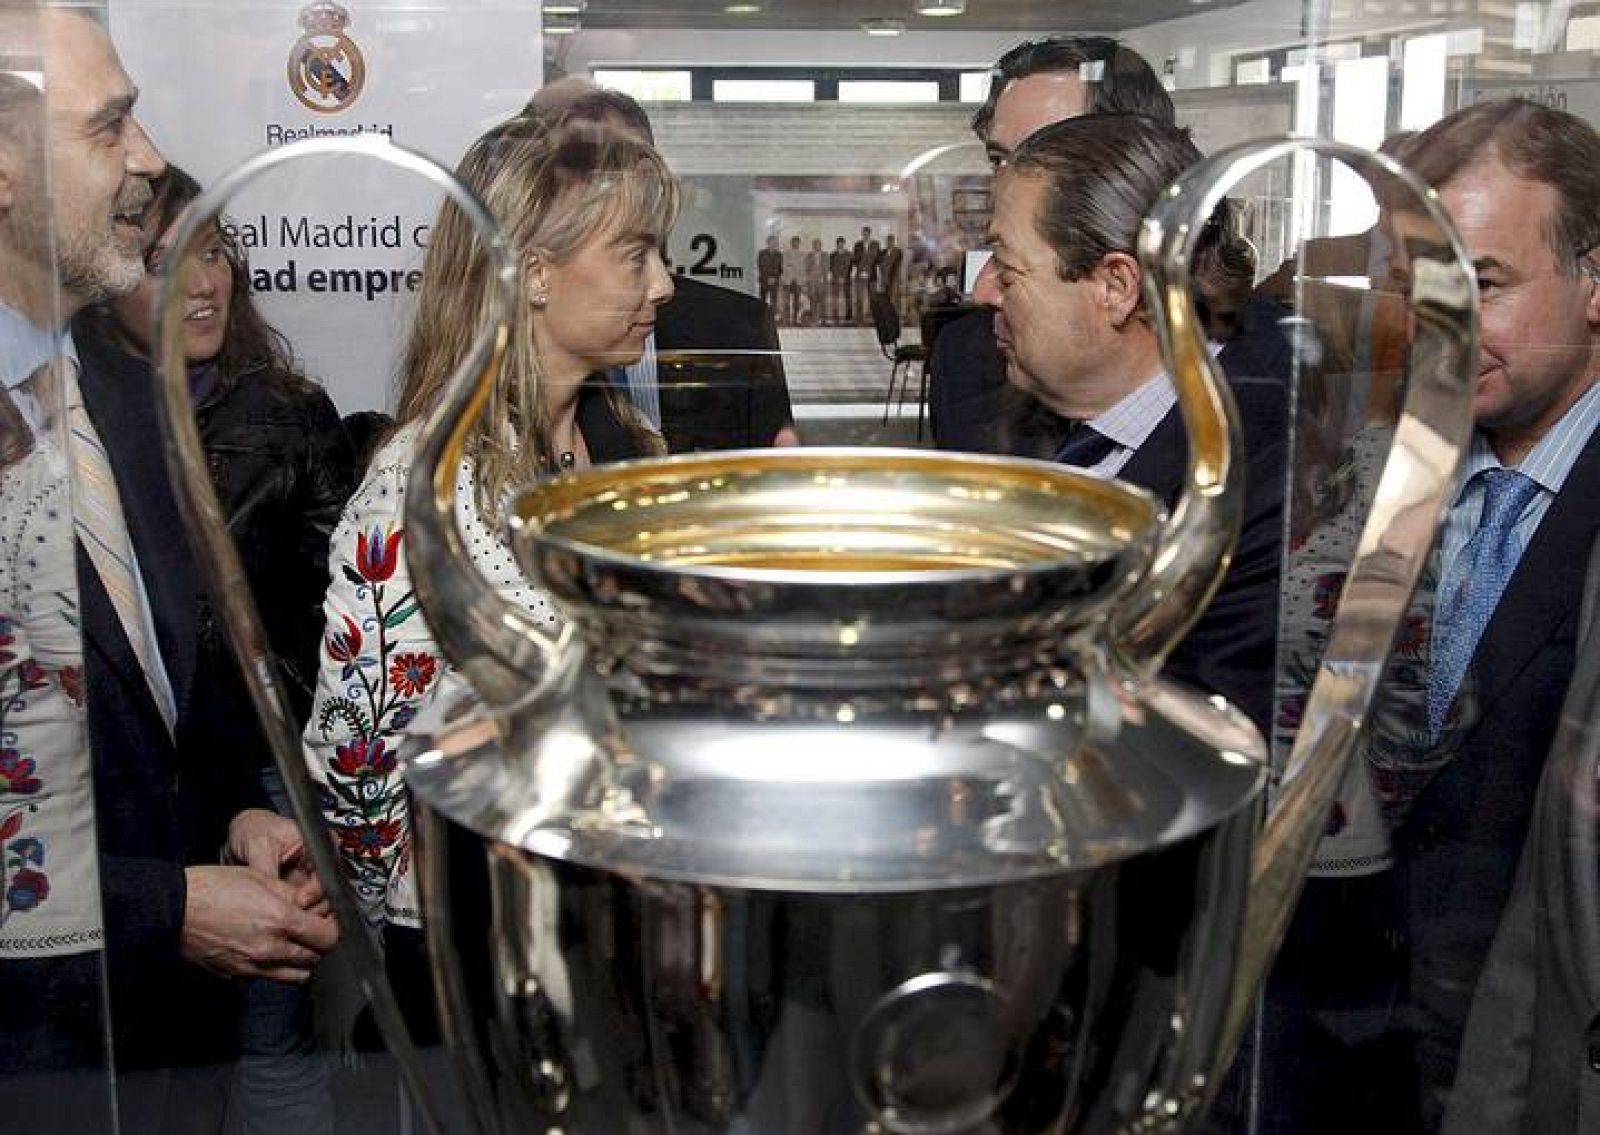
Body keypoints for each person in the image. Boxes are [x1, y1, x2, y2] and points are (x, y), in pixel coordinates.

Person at [0, 8, 337, 1129]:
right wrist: (168, 905)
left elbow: (151, 709)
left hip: (164, 1064)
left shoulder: (130, 396)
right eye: (112, 127)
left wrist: (234, 818)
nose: (149, 159)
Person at [1255, 98, 1600, 1134]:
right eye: (1416, 290)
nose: (1438, 326)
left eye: (1482, 285)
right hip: (1345, 1047)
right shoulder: (1367, 479)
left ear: (1594, 281)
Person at [303, 111, 676, 938]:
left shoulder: (626, 449)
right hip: (481, 939)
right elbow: (360, 769)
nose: (664, 285)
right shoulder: (423, 488)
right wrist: (431, 955)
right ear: (535, 273)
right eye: (635, 253)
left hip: (617, 916)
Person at [73, 163, 355, 1133]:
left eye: (217, 251)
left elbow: (333, 612)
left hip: (255, 774)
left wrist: (279, 775)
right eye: (165, 259)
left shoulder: (283, 412)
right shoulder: (61, 422)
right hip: (120, 788)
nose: (202, 282)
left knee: (270, 1040)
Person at [972, 112, 1284, 735]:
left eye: (1007, 270)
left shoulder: (1262, 482)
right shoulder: (1020, 422)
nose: (983, 292)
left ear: (1116, 286)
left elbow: (1197, 734)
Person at [927, 34, 1291, 454]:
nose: (1011, 180)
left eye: (1047, 151)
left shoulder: (1274, 377)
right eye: (999, 159)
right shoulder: (967, 359)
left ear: (1139, 155)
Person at [523, 78, 798, 450]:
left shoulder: (739, 330)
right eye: (596, 172)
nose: (627, 186)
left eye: (634, 164)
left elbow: (769, 481)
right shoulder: (466, 454)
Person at [852, 224, 879, 325]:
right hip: (859, 275)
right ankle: (860, 320)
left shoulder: (876, 244)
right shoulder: (857, 245)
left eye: (867, 233)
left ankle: (872, 318)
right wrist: (861, 269)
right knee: (859, 298)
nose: (865, 235)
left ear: (870, 234)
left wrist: (869, 270)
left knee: (873, 298)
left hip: (872, 275)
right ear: (862, 234)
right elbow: (854, 260)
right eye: (864, 233)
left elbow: (878, 259)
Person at [782, 233, 805, 326]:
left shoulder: (802, 254)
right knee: (787, 302)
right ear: (791, 243)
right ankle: (786, 320)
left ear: (799, 244)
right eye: (794, 242)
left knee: (796, 302)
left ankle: (795, 320)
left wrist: (794, 269)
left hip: (798, 281)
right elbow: (784, 266)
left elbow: (802, 268)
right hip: (788, 280)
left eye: (797, 243)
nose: (796, 244)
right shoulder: (786, 253)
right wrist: (793, 269)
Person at [829, 235, 852, 324]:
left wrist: (843, 277)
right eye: (839, 243)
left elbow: (849, 267)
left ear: (844, 244)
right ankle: (835, 316)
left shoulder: (849, 254)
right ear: (837, 244)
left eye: (842, 243)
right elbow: (831, 268)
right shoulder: (832, 255)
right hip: (835, 279)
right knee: (835, 298)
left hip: (846, 279)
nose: (840, 245)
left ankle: (848, 316)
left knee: (848, 298)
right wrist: (838, 277)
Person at [757, 233, 782, 314]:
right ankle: (761, 316)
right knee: (762, 299)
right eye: (772, 242)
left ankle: (772, 317)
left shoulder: (779, 255)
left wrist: (774, 278)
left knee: (774, 300)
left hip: (775, 281)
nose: (774, 244)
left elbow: (780, 269)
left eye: (775, 243)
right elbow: (761, 267)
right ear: (768, 243)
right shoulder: (762, 253)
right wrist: (767, 278)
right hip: (764, 280)